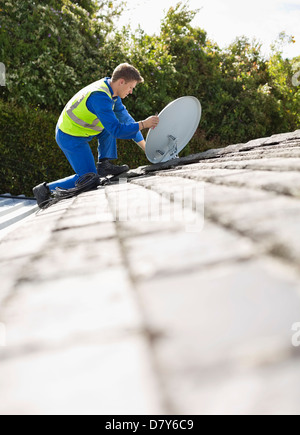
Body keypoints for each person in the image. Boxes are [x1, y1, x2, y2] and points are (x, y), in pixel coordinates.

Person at [33, 63, 159, 207]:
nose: (131, 92)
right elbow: (116, 130)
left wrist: (146, 149)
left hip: (81, 131)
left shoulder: (112, 93)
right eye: (130, 87)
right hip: (69, 136)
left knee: (112, 123)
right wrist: (144, 124)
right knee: (89, 179)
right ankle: (44, 189)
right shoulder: (100, 97)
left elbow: (126, 120)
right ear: (121, 82)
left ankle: (105, 164)